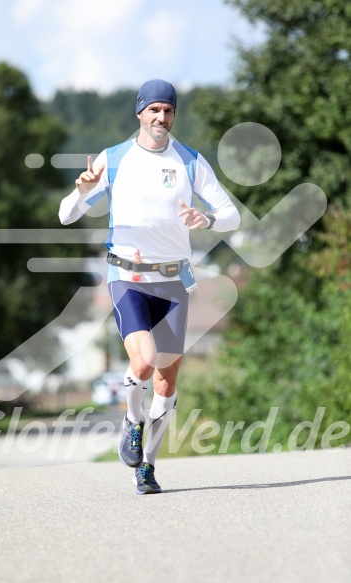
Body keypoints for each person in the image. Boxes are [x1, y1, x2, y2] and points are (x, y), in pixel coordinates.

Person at [59, 79, 240, 494]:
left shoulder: (190, 161)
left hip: (174, 281)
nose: (161, 117)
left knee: (166, 381)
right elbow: (67, 215)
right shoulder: (115, 159)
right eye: (154, 109)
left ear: (174, 115)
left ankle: (148, 467)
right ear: (139, 112)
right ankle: (131, 420)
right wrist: (83, 190)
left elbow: (232, 215)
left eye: (168, 110)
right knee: (142, 362)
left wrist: (207, 219)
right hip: (127, 277)